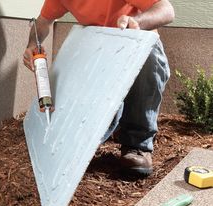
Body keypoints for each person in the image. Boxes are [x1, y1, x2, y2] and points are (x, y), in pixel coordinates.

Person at [23, 0, 175, 176]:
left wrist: (138, 22)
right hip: (99, 52)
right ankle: (109, 127)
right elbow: (43, 22)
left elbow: (166, 10)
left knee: (150, 54)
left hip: (134, 45)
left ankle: (137, 144)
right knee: (89, 125)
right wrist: (32, 44)